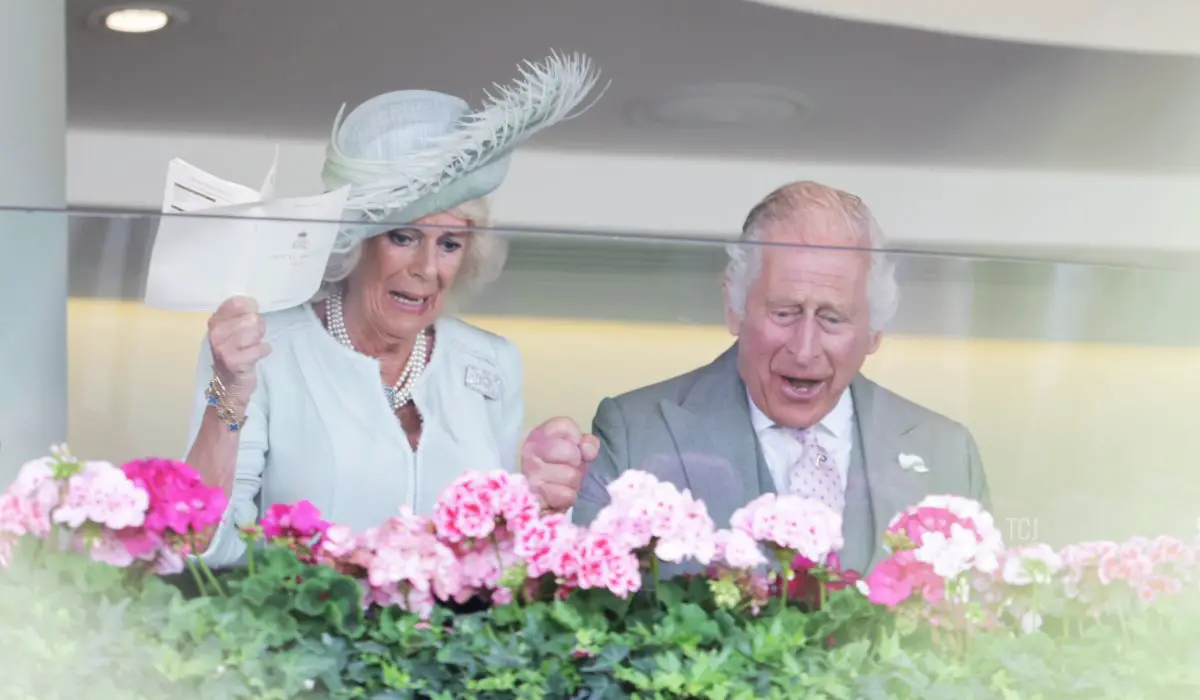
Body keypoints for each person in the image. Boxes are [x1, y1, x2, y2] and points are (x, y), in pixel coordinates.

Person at [186, 53, 603, 568]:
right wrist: (228, 396)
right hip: (305, 638)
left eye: (450, 243)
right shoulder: (260, 350)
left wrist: (536, 502)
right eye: (404, 237)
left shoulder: (491, 362)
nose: (427, 268)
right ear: (356, 243)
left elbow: (494, 560)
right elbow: (202, 544)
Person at [521, 181, 990, 574]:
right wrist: (543, 509)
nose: (804, 349)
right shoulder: (635, 433)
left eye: (832, 318)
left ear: (875, 330)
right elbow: (582, 621)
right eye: (784, 312)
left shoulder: (946, 452)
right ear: (735, 307)